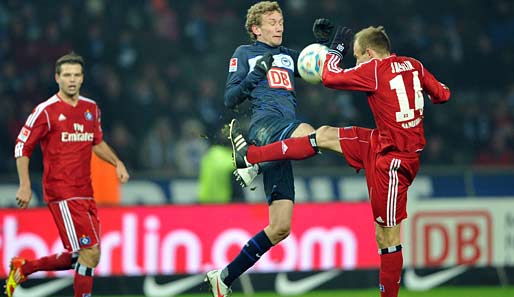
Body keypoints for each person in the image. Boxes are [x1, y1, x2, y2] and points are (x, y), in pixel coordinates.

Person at [229, 26, 451, 297]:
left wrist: (336, 50)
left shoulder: (374, 70)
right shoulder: (414, 65)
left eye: (358, 57)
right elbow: (443, 94)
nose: (357, 63)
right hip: (378, 142)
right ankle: (252, 158)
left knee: (388, 239)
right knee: (324, 135)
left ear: (370, 54)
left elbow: (330, 77)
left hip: (394, 161)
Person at [204, 1, 333, 296]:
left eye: (281, 22)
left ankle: (223, 277)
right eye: (272, 22)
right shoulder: (244, 54)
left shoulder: (288, 56)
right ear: (255, 28)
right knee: (314, 136)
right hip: (265, 127)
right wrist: (253, 76)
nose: (279, 27)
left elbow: (322, 68)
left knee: (280, 226)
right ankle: (253, 160)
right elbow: (229, 99)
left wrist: (327, 45)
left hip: (283, 143)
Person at [5, 52, 130, 297]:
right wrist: (24, 184)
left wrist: (117, 162)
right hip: (61, 191)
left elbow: (97, 142)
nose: (71, 80)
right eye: (66, 75)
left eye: (76, 75)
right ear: (57, 78)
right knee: (90, 253)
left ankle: (25, 267)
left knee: (87, 255)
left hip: (86, 191)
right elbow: (22, 145)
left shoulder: (91, 109)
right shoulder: (46, 111)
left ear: (82, 78)